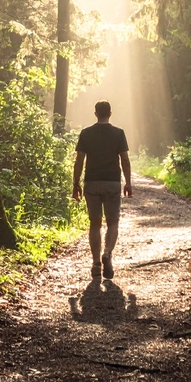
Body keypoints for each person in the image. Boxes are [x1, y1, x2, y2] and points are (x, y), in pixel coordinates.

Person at [72, 100, 132, 279]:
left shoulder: (86, 133)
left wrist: (76, 184)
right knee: (113, 222)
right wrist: (128, 182)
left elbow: (79, 161)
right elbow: (125, 160)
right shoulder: (119, 133)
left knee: (95, 223)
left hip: (92, 183)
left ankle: (96, 264)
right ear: (110, 113)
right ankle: (107, 253)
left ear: (95, 113)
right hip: (113, 182)